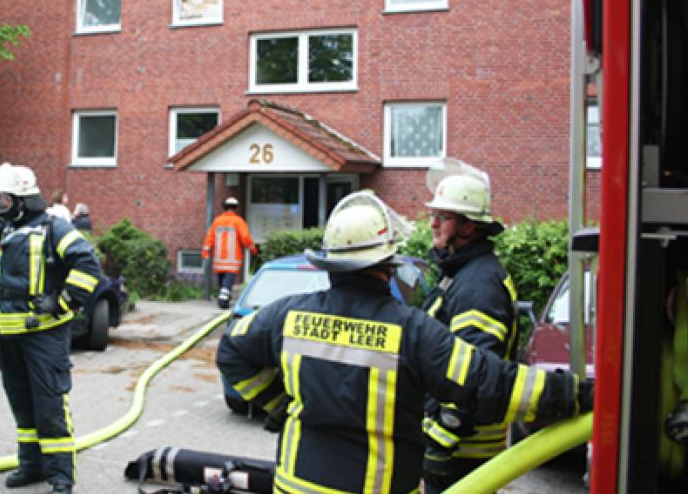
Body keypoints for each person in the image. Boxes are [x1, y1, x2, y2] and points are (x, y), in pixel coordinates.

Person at [216, 192, 593, 494]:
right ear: (387, 262)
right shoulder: (412, 332)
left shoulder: (287, 316)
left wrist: (277, 405)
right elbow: (491, 382)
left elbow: (230, 351)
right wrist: (578, 394)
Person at [0, 163, 105, 494]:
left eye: (4, 201)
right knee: (21, 404)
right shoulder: (2, 232)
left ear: (22, 201)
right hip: (9, 333)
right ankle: (31, 465)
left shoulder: (56, 228)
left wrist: (62, 301)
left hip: (44, 334)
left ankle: (60, 476)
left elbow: (88, 265)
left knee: (50, 404)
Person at [418, 158, 518, 493]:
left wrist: (440, 443)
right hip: (456, 448)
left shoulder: (478, 286)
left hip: (463, 452)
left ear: (469, 226)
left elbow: (476, 374)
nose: (433, 224)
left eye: (443, 217)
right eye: (433, 215)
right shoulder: (460, 274)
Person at [202, 197, 257, 308]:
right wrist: (253, 249)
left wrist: (205, 252)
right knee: (227, 283)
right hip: (232, 258)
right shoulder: (238, 221)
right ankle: (223, 301)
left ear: (224, 207)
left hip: (219, 258)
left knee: (222, 282)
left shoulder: (217, 221)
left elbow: (209, 237)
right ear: (235, 208)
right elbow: (245, 237)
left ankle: (224, 298)